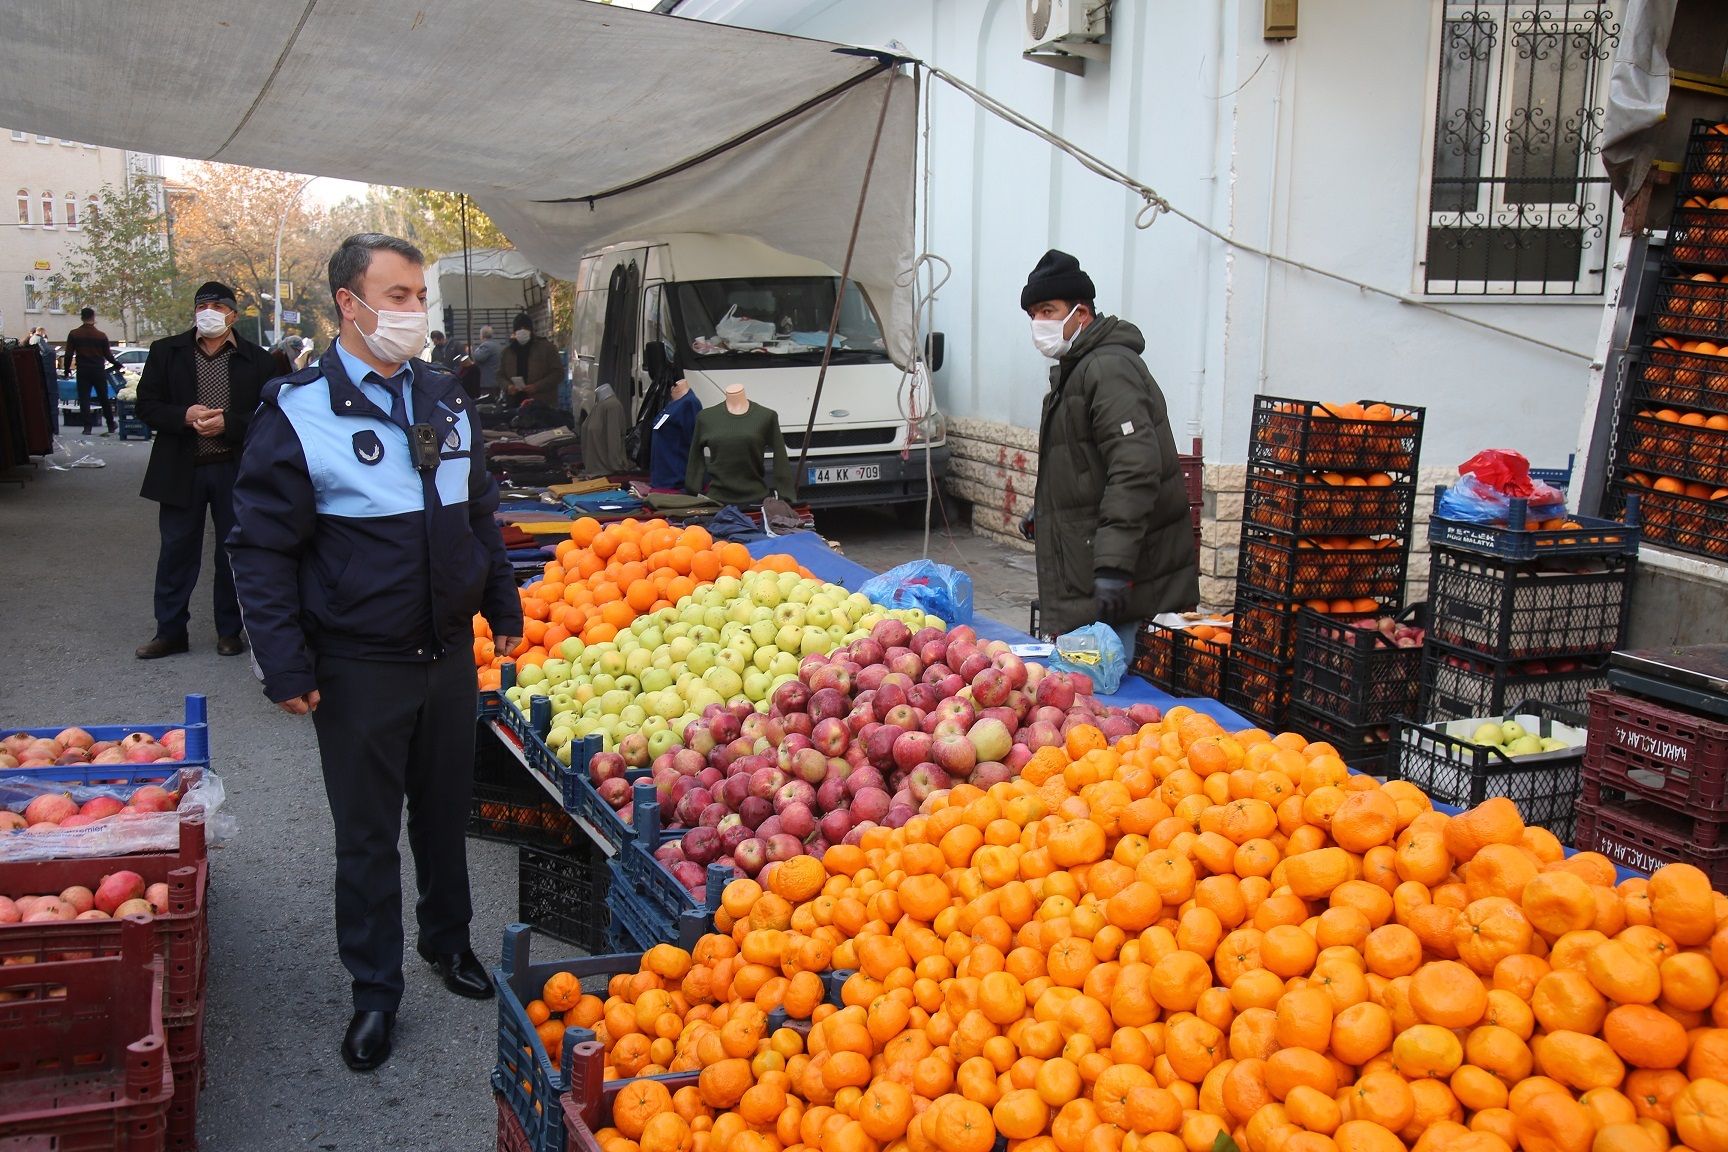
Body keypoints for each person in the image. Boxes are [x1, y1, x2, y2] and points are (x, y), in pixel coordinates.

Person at [227, 234, 522, 1073]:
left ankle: (448, 943)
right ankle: (374, 993)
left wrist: (499, 601)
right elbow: (260, 548)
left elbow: (477, 511)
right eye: (397, 295)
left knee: (443, 815)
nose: (414, 310)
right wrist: (282, 663)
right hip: (357, 661)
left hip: (445, 656)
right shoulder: (298, 409)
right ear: (348, 306)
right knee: (365, 836)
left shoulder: (447, 397)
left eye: (418, 293)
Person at [1018, 249, 1197, 652]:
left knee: (1105, 690)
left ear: (1081, 314)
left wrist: (1114, 566)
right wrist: (1046, 512)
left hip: (1114, 571)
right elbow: (1085, 463)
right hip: (1088, 561)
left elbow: (1134, 468)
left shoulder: (1108, 369)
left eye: (1048, 310)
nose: (1039, 324)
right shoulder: (1078, 369)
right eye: (1033, 315)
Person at [133, 282, 279, 661]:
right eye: (202, 305)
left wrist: (228, 424)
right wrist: (183, 415)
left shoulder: (258, 359)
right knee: (176, 552)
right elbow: (147, 405)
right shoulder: (166, 352)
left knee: (232, 553)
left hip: (234, 469)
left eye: (217, 305)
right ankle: (170, 631)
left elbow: (272, 416)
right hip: (181, 468)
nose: (208, 311)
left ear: (232, 313)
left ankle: (229, 631)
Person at [686, 380, 795, 505]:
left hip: (756, 501)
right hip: (717, 503)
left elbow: (780, 457)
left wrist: (786, 496)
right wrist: (692, 491)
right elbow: (695, 456)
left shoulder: (766, 416)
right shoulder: (705, 418)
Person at [62, 306, 123, 435]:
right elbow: (108, 355)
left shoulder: (74, 334)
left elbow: (68, 354)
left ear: (82, 318)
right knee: (103, 397)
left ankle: (87, 427)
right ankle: (111, 424)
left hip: (83, 370)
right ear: (93, 318)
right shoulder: (101, 336)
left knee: (84, 398)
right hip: (98, 370)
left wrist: (67, 369)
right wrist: (117, 364)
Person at [502, 311, 562, 417]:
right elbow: (499, 374)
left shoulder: (547, 348)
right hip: (514, 405)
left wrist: (537, 386)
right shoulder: (507, 351)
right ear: (514, 332)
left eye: (525, 328)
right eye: (518, 329)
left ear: (531, 330)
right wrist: (508, 386)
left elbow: (558, 373)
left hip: (542, 405)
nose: (522, 331)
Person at [649, 376, 701, 491]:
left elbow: (694, 442)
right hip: (662, 476)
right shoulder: (673, 402)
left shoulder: (690, 403)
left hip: (676, 478)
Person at [580, 380, 629, 477]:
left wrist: (617, 465)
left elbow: (613, 438)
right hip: (600, 470)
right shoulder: (603, 406)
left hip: (602, 470)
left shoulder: (610, 406)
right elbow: (613, 438)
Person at [469, 325, 502, 398]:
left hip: (488, 383)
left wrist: (472, 350)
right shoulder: (497, 344)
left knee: (487, 405)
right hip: (496, 381)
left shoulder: (486, 346)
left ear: (482, 335)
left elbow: (478, 357)